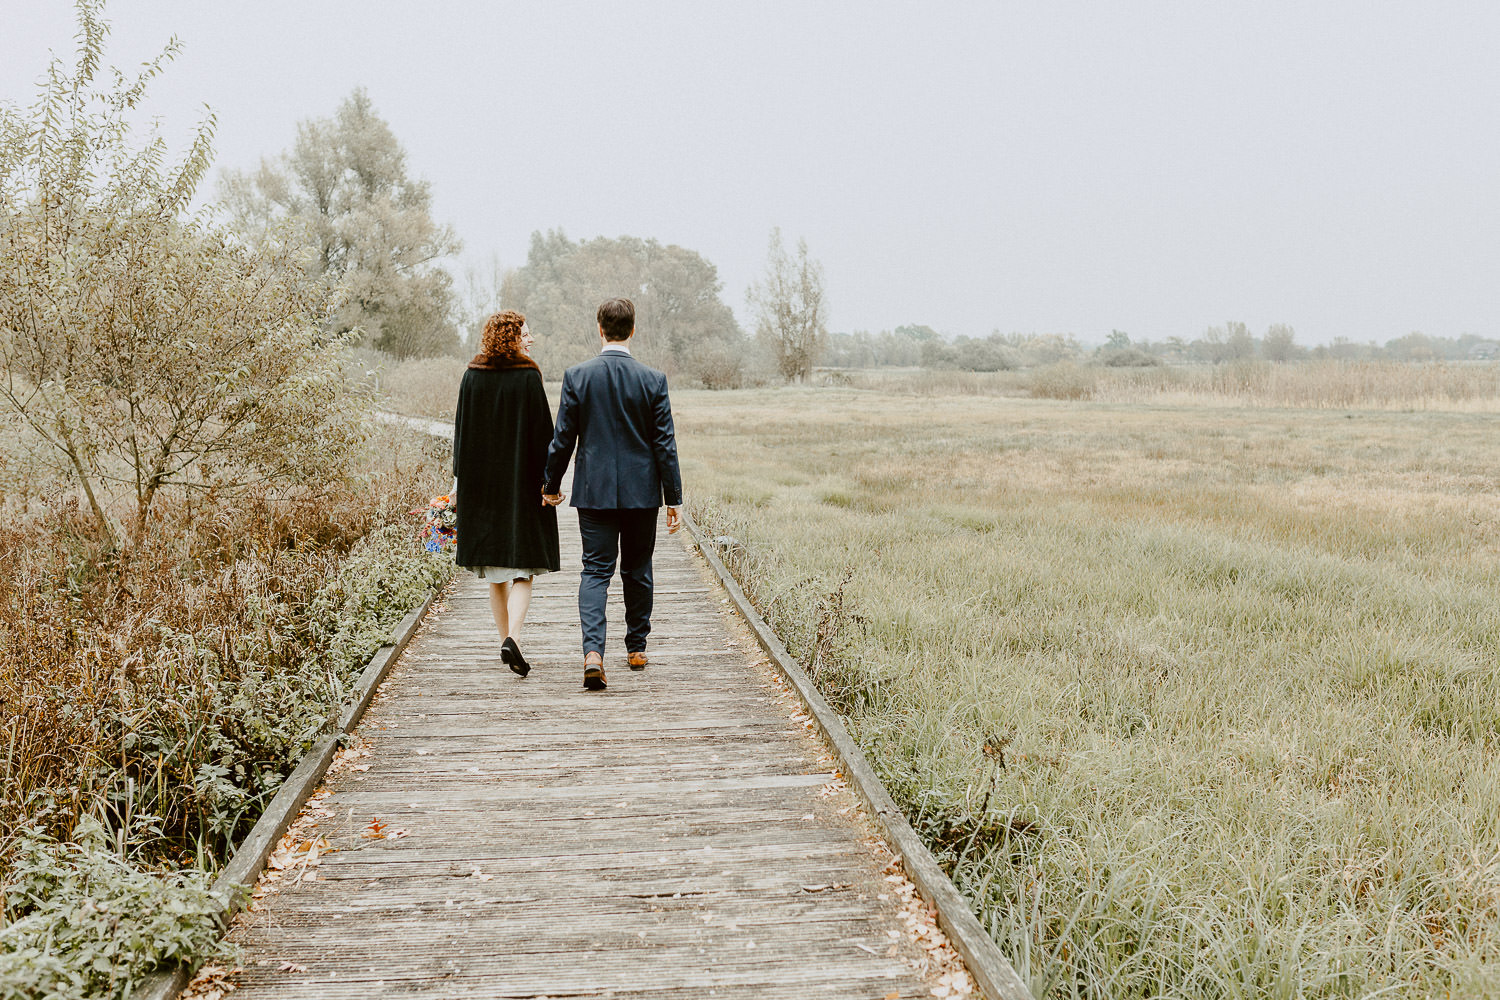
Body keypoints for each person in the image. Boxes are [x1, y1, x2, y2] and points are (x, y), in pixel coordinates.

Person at [542, 298, 682, 691]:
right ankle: (636, 647)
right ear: (632, 330)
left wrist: (550, 486)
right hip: (642, 493)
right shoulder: (653, 379)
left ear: (599, 329)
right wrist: (674, 498)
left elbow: (562, 440)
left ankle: (593, 654)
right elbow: (664, 444)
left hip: (594, 492)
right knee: (638, 569)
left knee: (595, 571)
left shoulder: (578, 376)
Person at [453, 310, 560, 677]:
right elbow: (545, 437)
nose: (531, 339)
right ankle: (512, 637)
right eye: (526, 334)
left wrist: (456, 485)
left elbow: (461, 437)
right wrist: (551, 485)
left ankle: (507, 641)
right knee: (524, 569)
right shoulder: (528, 377)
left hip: (480, 488)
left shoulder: (471, 376)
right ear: (511, 337)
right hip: (521, 485)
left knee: (497, 573)